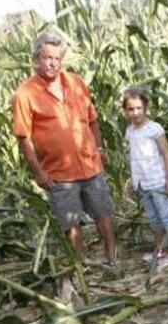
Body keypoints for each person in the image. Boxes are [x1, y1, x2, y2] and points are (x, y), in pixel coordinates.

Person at [12, 32, 116, 265]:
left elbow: (92, 119)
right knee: (71, 223)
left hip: (90, 163)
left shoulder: (76, 82)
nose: (53, 63)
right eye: (47, 57)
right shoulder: (25, 94)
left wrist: (99, 148)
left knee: (104, 213)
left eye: (57, 58)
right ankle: (82, 266)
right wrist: (38, 172)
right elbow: (24, 138)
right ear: (36, 57)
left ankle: (112, 257)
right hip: (59, 173)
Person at [122, 88, 168, 266]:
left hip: (157, 181)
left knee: (167, 217)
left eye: (139, 108)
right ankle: (159, 250)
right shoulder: (130, 131)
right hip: (143, 183)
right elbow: (134, 157)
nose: (135, 113)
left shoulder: (154, 128)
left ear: (147, 107)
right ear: (125, 111)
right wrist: (133, 179)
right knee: (154, 220)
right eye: (131, 109)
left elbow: (165, 153)